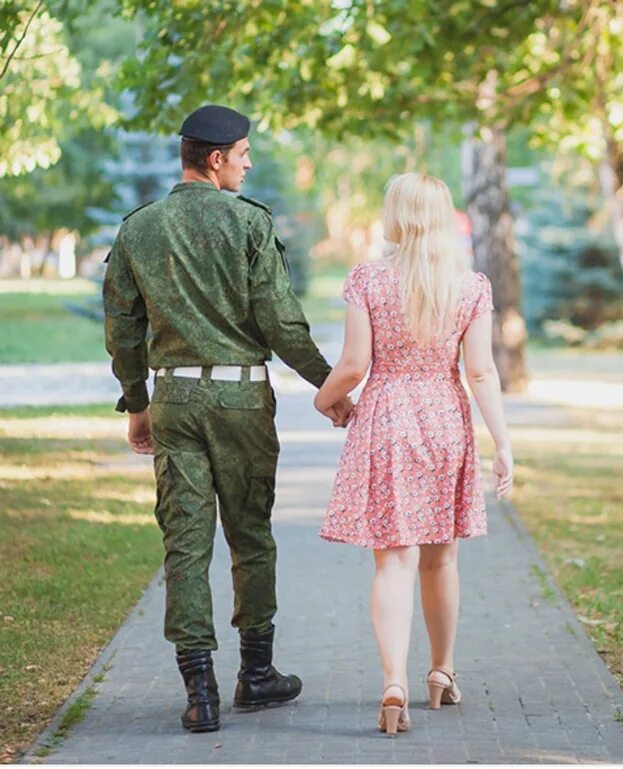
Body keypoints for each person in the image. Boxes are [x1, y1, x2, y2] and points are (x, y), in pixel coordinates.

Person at [103, 104, 352, 733]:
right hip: (241, 402)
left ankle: (201, 694)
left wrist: (138, 406)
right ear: (215, 160)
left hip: (175, 402)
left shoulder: (140, 229)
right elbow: (280, 322)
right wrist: (332, 388)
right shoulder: (247, 225)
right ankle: (258, 676)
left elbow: (123, 330)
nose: (248, 165)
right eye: (243, 155)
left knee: (184, 546)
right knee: (250, 537)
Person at [313, 172, 513, 735]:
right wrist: (503, 443)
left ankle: (393, 682)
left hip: (386, 419)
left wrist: (324, 399)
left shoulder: (368, 280)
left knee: (392, 559)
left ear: (396, 215)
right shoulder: (470, 286)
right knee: (441, 557)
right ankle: (442, 673)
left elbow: (354, 366)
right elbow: (479, 371)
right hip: (445, 419)